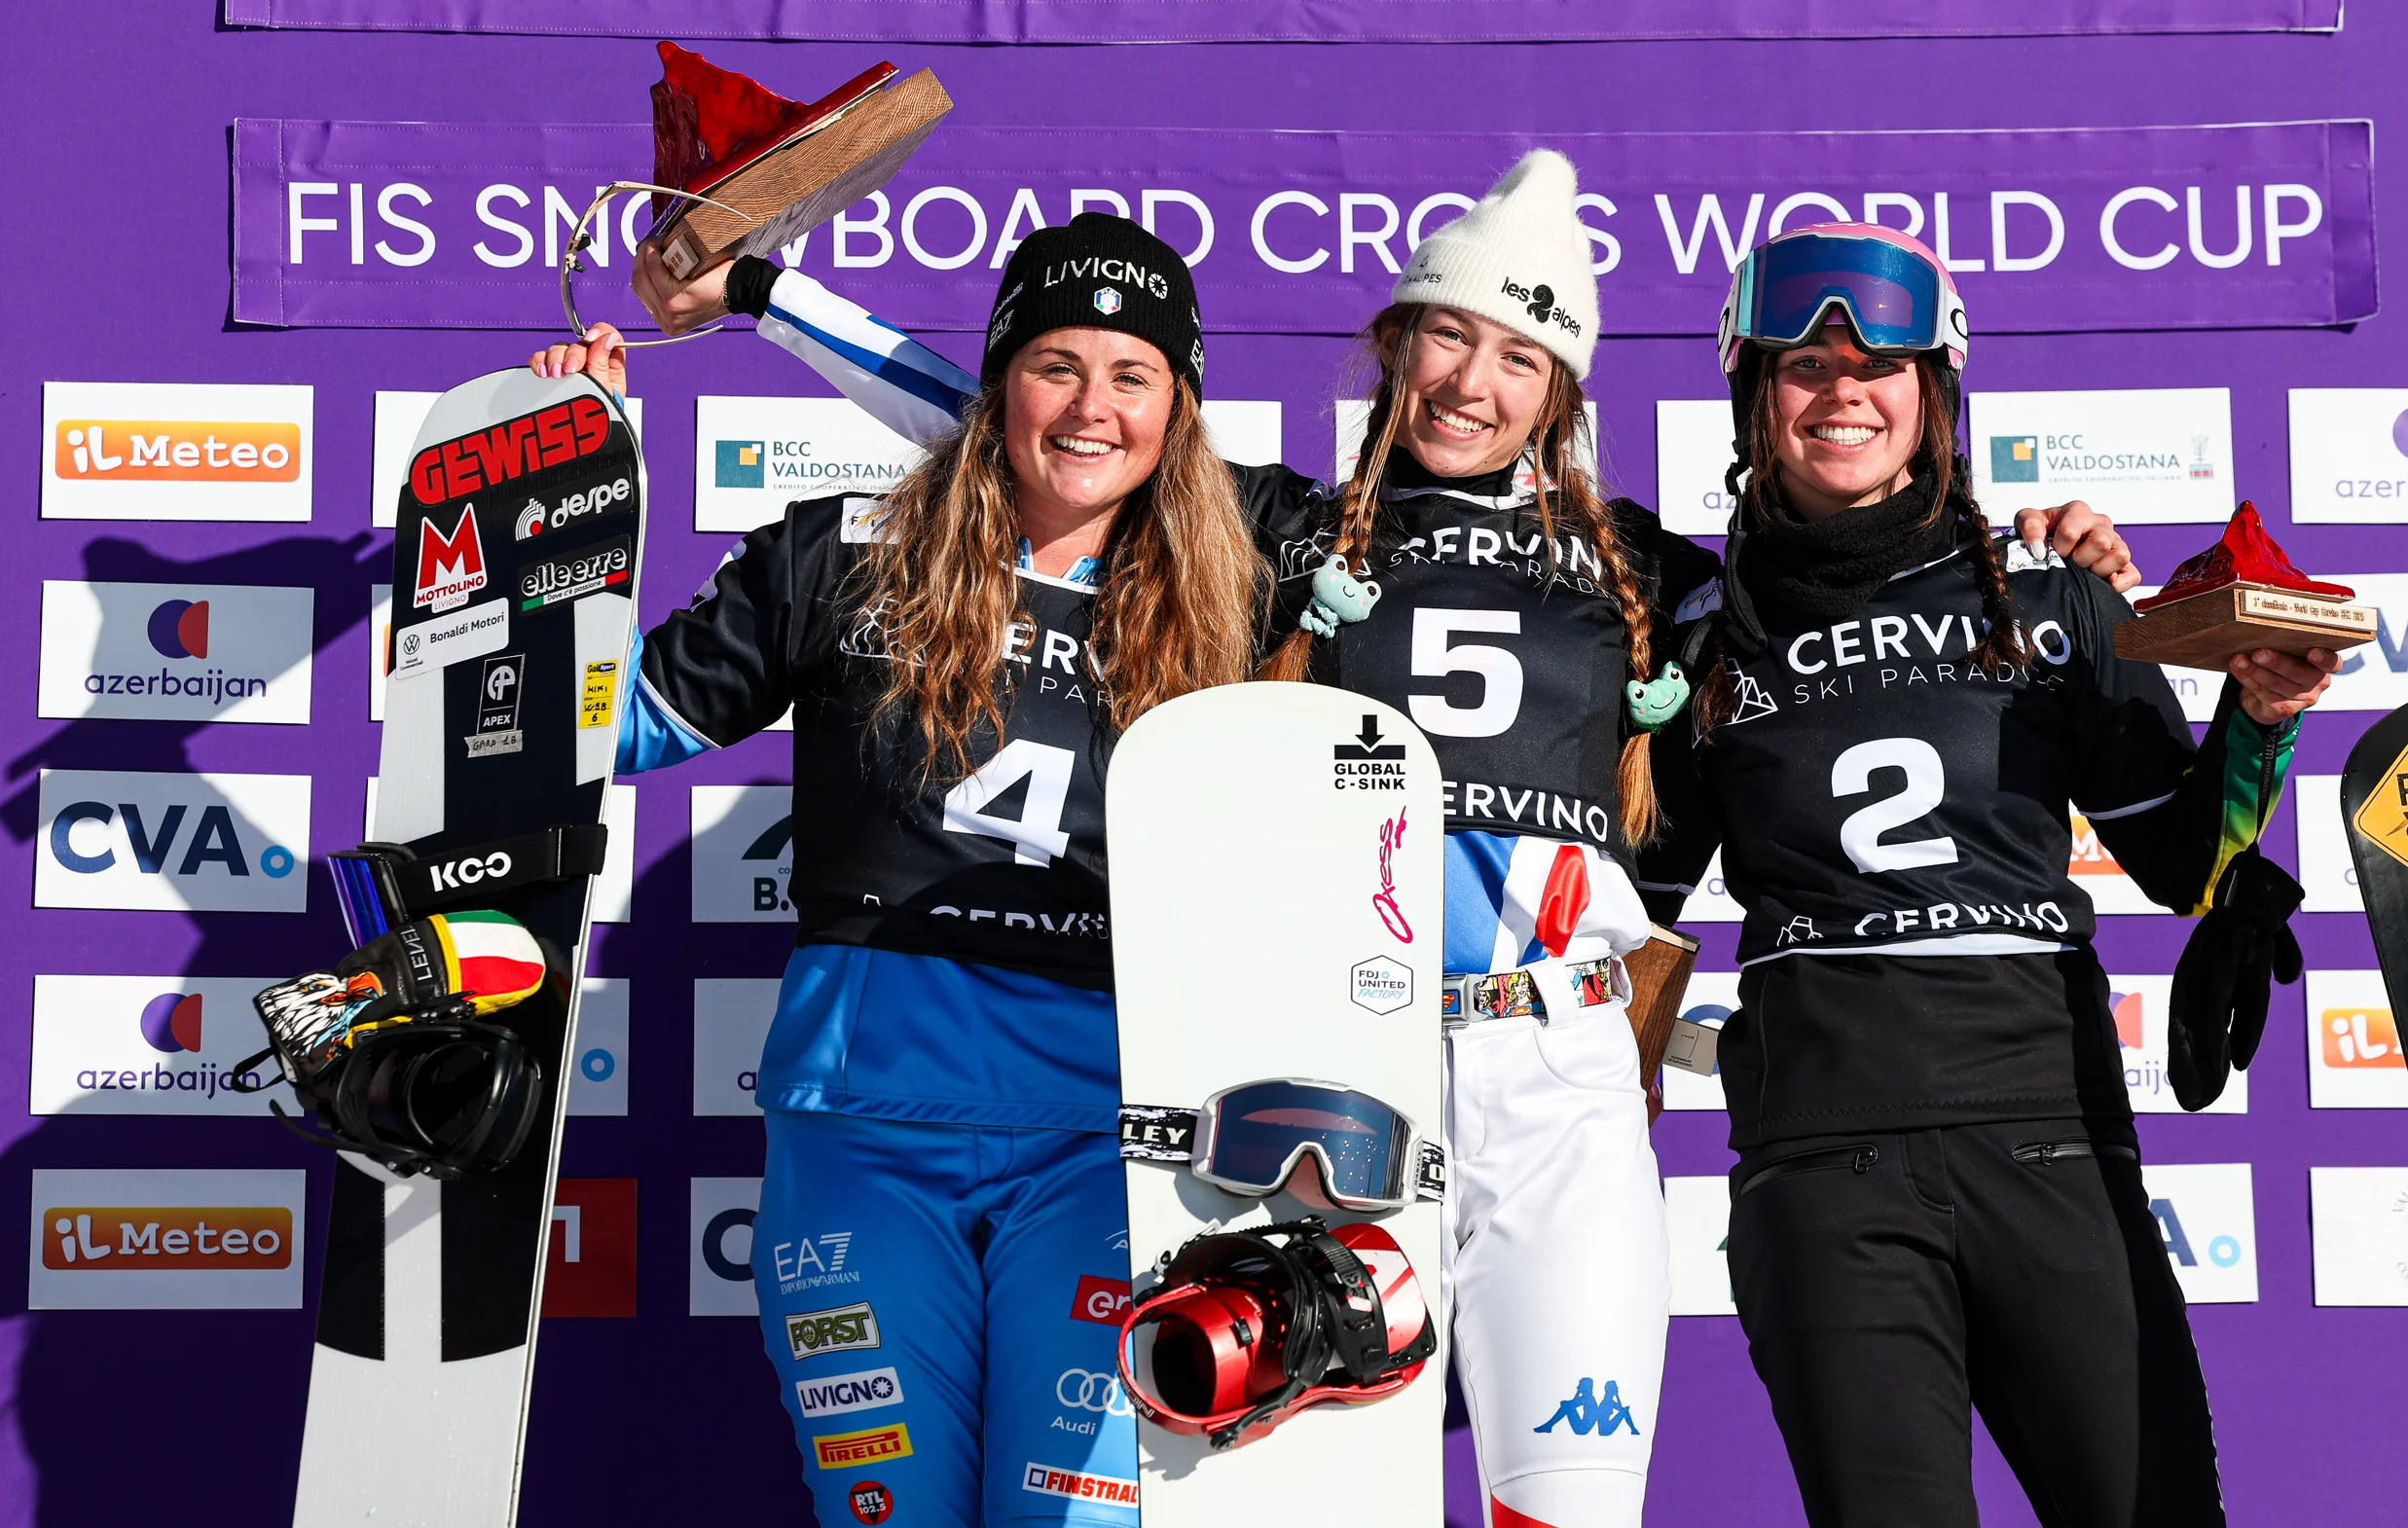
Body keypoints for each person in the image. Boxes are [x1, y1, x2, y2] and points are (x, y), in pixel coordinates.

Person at [669, 161, 2138, 1528]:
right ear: (1393, 347)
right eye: (1448, 338)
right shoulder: (1285, 535)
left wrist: (2036, 552)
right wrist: (760, 295)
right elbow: (1016, 420)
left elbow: (1857, 568)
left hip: (1552, 1083)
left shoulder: (1661, 576)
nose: (1474, 381)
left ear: (1560, 387)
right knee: (1296, 1495)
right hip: (1339, 1082)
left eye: (1519, 354)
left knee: (1562, 1504)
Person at [533, 213, 1298, 1528]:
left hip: (1107, 1150)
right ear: (998, 378)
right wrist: (567, 506)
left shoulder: (1239, 585)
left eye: (1134, 377)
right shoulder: (845, 554)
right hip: (865, 1135)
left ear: (1182, 409)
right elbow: (596, 731)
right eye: (1055, 364)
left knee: (1081, 1518)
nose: (1090, 407)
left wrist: (766, 293)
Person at [1657, 221, 2334, 1528]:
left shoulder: (2056, 597)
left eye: (1883, 366)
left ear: (1937, 396)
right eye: (1802, 365)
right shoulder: (1693, 634)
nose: (1843, 392)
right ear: (1753, 396)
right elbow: (1632, 919)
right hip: (1823, 1167)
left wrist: (2263, 720)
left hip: (2050, 1138)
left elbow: (2195, 866)